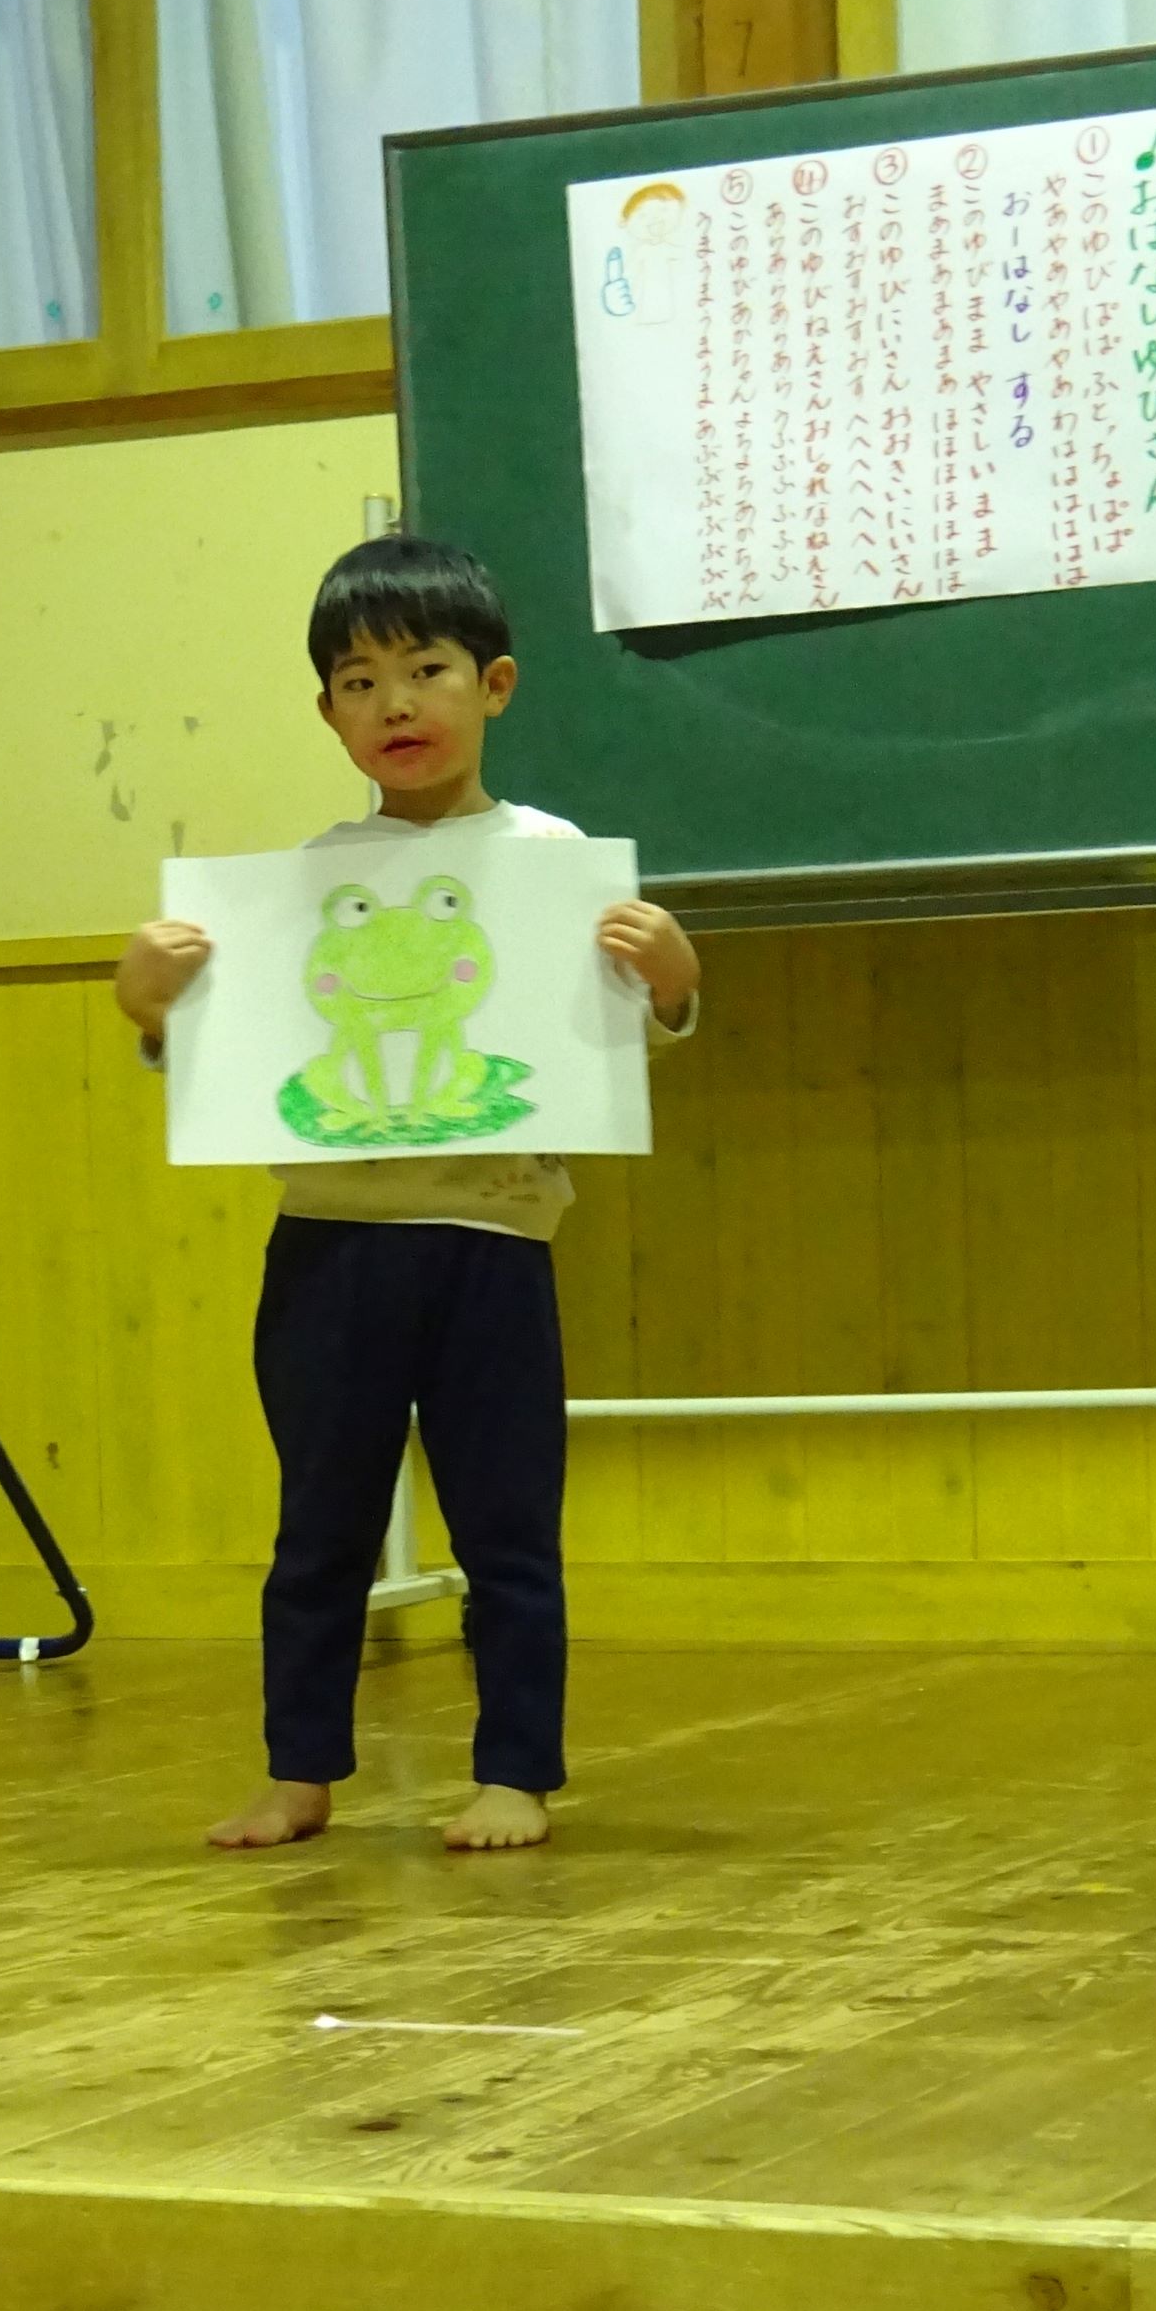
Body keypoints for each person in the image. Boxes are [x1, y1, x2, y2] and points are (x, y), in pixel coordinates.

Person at [115, 534, 699, 1855]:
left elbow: (617, 1045)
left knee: (508, 1529)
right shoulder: (302, 887)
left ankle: (516, 1773)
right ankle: (298, 1772)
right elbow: (248, 1060)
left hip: (494, 1245)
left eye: (425, 669)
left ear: (494, 685)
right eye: (358, 681)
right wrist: (154, 1008)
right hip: (327, 1248)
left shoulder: (554, 859)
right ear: (328, 713)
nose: (394, 703)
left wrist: (670, 979)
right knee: (318, 1530)